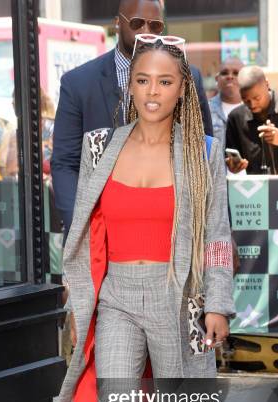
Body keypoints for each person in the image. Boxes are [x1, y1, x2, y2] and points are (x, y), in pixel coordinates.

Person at [50, 36, 235, 402]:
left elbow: (218, 234)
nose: (153, 92)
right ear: (130, 87)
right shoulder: (100, 144)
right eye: (144, 81)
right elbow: (84, 224)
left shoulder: (202, 152)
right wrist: (77, 290)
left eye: (166, 82)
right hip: (116, 297)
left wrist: (219, 305)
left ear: (183, 91)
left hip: (179, 297)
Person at [51, 0, 213, 238]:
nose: (146, 33)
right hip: (101, 231)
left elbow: (204, 152)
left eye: (155, 26)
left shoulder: (188, 78)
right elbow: (65, 163)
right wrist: (81, 230)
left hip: (171, 230)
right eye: (137, 23)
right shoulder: (78, 84)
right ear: (117, 23)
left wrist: (218, 229)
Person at [209, 56, 244, 154]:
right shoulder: (204, 110)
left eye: (236, 73)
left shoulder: (253, 110)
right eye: (224, 73)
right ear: (217, 79)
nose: (230, 76)